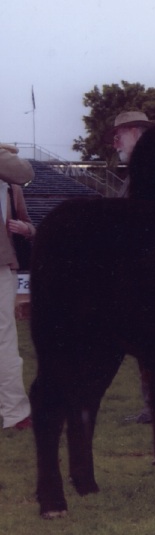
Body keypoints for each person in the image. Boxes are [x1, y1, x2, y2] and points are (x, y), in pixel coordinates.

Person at [111, 110, 155, 424]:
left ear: (137, 133)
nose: (115, 143)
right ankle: (153, 408)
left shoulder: (152, 172)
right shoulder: (137, 173)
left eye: (120, 134)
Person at [0, 143, 35, 431]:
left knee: (4, 341)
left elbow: (24, 172)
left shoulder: (13, 186)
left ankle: (14, 413)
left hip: (2, 267)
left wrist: (27, 229)